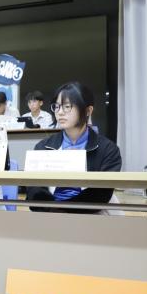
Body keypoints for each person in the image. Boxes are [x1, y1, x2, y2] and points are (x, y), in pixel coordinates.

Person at [25, 82, 121, 213]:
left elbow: (101, 193)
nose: (60, 112)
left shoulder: (108, 150)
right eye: (57, 106)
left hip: (94, 217)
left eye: (67, 106)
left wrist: (63, 210)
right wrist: (54, 210)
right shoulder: (43, 147)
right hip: (50, 217)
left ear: (88, 111)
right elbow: (33, 190)